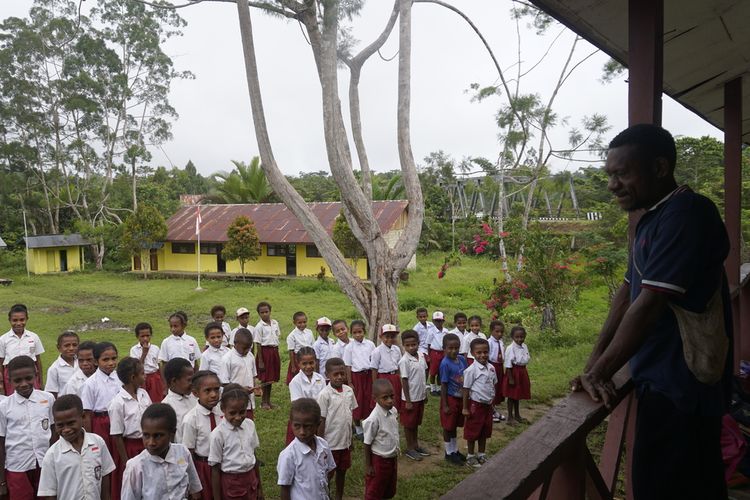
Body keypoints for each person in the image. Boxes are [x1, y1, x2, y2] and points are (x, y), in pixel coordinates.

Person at [572, 124, 732, 500]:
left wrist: (601, 371)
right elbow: (628, 292)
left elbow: (648, 306)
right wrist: (594, 364)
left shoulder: (687, 213)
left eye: (622, 173)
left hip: (682, 389)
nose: (613, 184)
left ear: (660, 168)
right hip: (659, 383)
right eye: (610, 175)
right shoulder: (652, 219)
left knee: (665, 486)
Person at [38, 394, 116, 500]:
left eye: (71, 423)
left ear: (82, 417)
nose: (66, 429)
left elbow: (105, 482)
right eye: (60, 425)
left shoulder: (98, 443)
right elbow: (49, 494)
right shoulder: (52, 455)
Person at [121, 404, 202, 500]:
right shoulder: (135, 467)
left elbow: (195, 490)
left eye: (158, 436)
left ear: (172, 433)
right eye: (146, 435)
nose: (151, 442)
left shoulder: (183, 452)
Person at [0, 356, 55, 499]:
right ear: (10, 380)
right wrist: (2, 481)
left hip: (45, 464)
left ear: (36, 375)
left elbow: (54, 431)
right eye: (17, 381)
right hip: (17, 466)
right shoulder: (4, 407)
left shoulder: (48, 399)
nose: (24, 384)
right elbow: (1, 442)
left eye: (28, 378)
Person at [209, 384, 262, 500]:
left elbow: (254, 455)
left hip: (251, 478)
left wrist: (259, 488)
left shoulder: (250, 425)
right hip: (232, 482)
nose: (238, 417)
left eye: (242, 412)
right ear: (223, 409)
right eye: (232, 413)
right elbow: (215, 469)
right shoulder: (218, 434)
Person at [108, 358, 152, 500]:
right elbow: (117, 435)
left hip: (148, 444)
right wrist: (126, 461)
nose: (145, 376)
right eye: (142, 373)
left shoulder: (144, 394)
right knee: (133, 483)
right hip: (131, 448)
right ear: (133, 378)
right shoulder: (118, 403)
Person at [277, 398, 336, 500]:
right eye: (297, 426)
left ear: (318, 424)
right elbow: (285, 488)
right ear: (291, 424)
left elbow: (328, 473)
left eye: (307, 426)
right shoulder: (288, 455)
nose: (302, 432)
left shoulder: (323, 446)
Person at [316, 357, 357, 500]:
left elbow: (349, 416)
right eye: (335, 374)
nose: (339, 377)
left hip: (344, 442)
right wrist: (320, 443)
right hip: (330, 443)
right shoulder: (324, 395)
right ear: (327, 375)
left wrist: (351, 438)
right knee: (328, 473)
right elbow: (321, 420)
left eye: (342, 373)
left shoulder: (349, 391)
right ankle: (325, 496)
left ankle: (339, 496)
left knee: (342, 470)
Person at [181, 370, 223, 500]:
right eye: (208, 390)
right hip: (204, 468)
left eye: (217, 389)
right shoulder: (191, 419)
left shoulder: (224, 410)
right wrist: (193, 483)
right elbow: (188, 453)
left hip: (225, 463)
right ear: (195, 393)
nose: (213, 394)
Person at [462, 338, 497, 468]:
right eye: (479, 353)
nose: (483, 355)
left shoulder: (492, 368)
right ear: (472, 353)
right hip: (475, 406)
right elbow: (465, 389)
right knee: (473, 431)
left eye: (485, 352)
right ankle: (470, 456)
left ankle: (481, 454)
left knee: (484, 430)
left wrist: (492, 404)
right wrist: (465, 408)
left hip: (487, 406)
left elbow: (493, 385)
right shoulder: (471, 370)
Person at [81, 342, 121, 455]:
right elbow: (87, 414)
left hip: (119, 419)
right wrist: (89, 438)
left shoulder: (120, 378)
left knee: (118, 452)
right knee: (104, 453)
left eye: (114, 358)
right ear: (95, 361)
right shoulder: (90, 383)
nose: (111, 363)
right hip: (101, 423)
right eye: (105, 359)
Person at [363, 379, 399, 500]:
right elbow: (367, 443)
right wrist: (369, 466)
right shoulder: (373, 419)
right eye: (385, 398)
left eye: (391, 396)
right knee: (374, 491)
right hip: (379, 461)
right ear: (375, 398)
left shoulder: (393, 411)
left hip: (392, 458)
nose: (390, 401)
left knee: (388, 489)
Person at [398, 329, 430, 461]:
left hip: (420, 396)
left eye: (414, 344)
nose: (411, 347)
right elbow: (404, 380)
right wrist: (408, 400)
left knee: (416, 423)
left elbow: (425, 372)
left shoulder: (422, 356)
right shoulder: (404, 361)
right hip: (410, 398)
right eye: (407, 345)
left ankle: (416, 445)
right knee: (408, 424)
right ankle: (410, 448)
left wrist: (425, 392)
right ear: (404, 346)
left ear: (418, 343)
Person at [0, 304, 45, 394]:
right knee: (13, 400)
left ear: (26, 319)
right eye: (15, 320)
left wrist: (41, 381)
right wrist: (2, 384)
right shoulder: (3, 339)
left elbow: (38, 360)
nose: (19, 323)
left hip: (30, 372)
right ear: (9, 320)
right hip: (11, 374)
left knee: (33, 397)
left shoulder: (33, 337)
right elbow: (1, 362)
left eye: (22, 320)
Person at [218, 329, 260, 420]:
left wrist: (256, 385)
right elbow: (223, 383)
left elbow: (254, 375)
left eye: (249, 348)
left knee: (248, 424)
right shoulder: (227, 359)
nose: (247, 350)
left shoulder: (250, 356)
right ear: (235, 343)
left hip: (248, 400)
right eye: (244, 348)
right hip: (233, 400)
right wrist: (240, 389)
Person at [286, 347, 325, 444]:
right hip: (303, 418)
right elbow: (297, 405)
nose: (308, 366)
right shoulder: (295, 382)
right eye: (304, 364)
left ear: (315, 362)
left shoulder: (320, 378)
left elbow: (324, 398)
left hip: (318, 416)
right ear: (298, 363)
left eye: (311, 363)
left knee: (317, 444)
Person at [343, 320, 374, 438]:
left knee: (368, 398)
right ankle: (358, 426)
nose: (358, 335)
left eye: (360, 332)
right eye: (355, 333)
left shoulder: (370, 344)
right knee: (358, 400)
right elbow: (348, 365)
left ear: (364, 331)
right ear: (351, 334)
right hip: (357, 377)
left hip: (368, 375)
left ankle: (368, 423)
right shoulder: (349, 347)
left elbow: (374, 360)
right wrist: (350, 382)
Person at [439, 333, 467, 465]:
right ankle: (448, 452)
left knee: (455, 425)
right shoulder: (445, 364)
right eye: (450, 348)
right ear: (444, 348)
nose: (453, 351)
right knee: (448, 426)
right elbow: (443, 385)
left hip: (460, 398)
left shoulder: (462, 360)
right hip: (450, 399)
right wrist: (445, 404)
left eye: (456, 348)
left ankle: (455, 450)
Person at [162, 358, 197, 442]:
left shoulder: (195, 397)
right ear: (174, 381)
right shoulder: (166, 407)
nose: (192, 383)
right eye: (189, 380)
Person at [253, 301, 280, 410]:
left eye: (266, 311)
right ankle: (263, 402)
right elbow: (258, 344)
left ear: (270, 311)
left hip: (274, 351)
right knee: (265, 378)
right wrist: (260, 360)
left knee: (271, 378)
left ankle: (269, 401)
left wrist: (276, 353)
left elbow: (277, 337)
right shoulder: (259, 326)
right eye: (262, 312)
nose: (265, 314)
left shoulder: (275, 323)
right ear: (259, 314)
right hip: (264, 353)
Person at [502, 326, 531, 425]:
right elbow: (508, 364)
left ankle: (517, 415)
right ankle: (510, 417)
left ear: (525, 336)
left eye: (522, 337)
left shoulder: (525, 346)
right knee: (511, 396)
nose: (519, 339)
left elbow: (526, 359)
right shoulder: (511, 348)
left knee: (517, 395)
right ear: (512, 337)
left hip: (522, 372)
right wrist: (510, 378)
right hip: (513, 373)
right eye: (517, 337)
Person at [370, 324, 402, 410]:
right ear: (381, 337)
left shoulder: (397, 349)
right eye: (387, 337)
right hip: (383, 377)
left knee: (395, 397)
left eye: (392, 337)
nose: (390, 339)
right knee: (384, 398)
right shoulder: (377, 351)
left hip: (395, 377)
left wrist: (398, 377)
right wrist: (375, 384)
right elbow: (374, 369)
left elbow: (398, 365)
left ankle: (394, 415)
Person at [129, 322, 163, 403]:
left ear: (151, 335)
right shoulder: (134, 350)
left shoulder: (155, 348)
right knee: (143, 401)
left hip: (155, 377)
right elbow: (136, 366)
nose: (145, 339)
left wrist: (163, 382)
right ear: (137, 337)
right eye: (142, 336)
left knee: (156, 400)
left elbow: (159, 365)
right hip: (141, 378)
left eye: (147, 336)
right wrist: (144, 353)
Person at [44, 331, 79, 398]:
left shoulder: (82, 362)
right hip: (66, 405)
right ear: (59, 348)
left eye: (74, 345)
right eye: (67, 345)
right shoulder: (54, 369)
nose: (71, 348)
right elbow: (52, 393)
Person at [286, 311, 314, 384]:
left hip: (310, 356)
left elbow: (312, 346)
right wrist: (293, 366)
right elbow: (291, 351)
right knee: (299, 378)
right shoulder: (292, 335)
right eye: (299, 323)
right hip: (298, 359)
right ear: (294, 322)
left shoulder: (309, 332)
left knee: (310, 375)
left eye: (304, 322)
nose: (302, 324)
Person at [487, 320, 506, 422]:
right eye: (497, 331)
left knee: (498, 388)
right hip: (492, 366)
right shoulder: (489, 342)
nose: (499, 334)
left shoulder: (501, 342)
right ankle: (491, 411)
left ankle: (494, 409)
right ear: (491, 331)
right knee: (492, 388)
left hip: (500, 366)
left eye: (501, 332)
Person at [427, 311, 448, 396]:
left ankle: (439, 388)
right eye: (436, 321)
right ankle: (433, 388)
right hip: (434, 353)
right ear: (433, 321)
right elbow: (428, 344)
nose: (438, 323)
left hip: (443, 353)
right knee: (433, 372)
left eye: (440, 321)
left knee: (440, 371)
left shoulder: (446, 331)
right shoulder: (431, 331)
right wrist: (429, 355)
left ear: (443, 321)